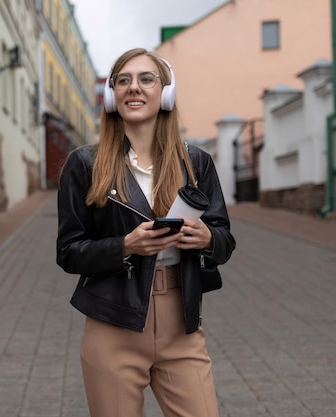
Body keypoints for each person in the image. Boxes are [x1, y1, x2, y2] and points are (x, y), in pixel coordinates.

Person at [56, 48, 236, 417]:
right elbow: (69, 251)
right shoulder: (85, 164)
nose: (133, 88)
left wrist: (207, 239)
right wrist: (125, 245)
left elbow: (224, 239)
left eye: (145, 79)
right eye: (123, 80)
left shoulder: (195, 162)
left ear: (165, 93)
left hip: (181, 325)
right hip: (113, 323)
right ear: (111, 96)